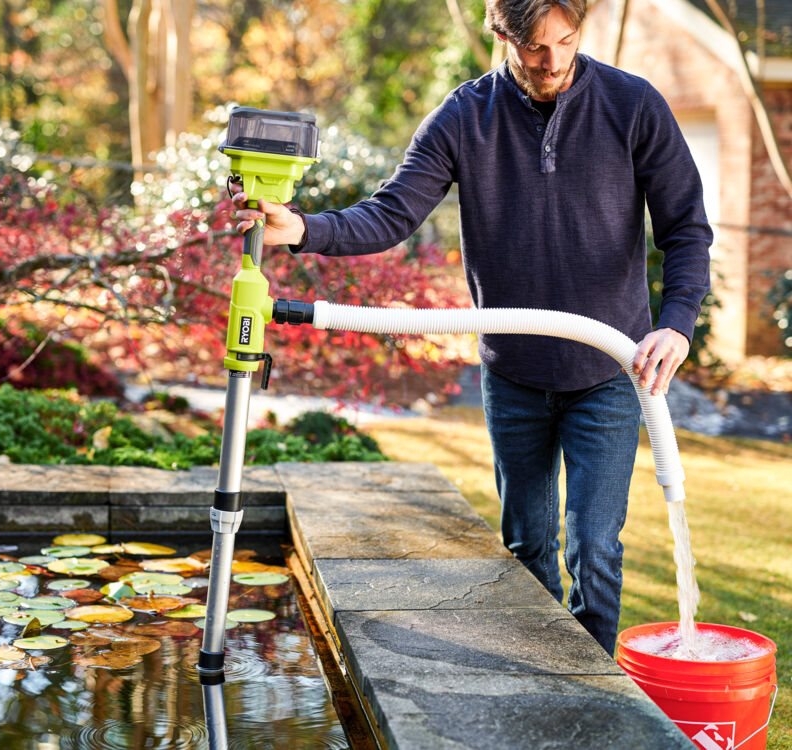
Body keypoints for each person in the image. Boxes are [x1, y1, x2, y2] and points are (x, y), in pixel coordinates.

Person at [230, 0, 711, 655]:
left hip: (608, 371)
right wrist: (308, 229)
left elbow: (687, 227)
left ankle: (599, 699)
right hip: (513, 377)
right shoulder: (465, 117)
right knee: (527, 549)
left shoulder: (633, 106)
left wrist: (677, 324)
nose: (554, 62)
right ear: (501, 33)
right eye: (535, 48)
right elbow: (392, 214)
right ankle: (532, 682)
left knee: (594, 549)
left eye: (566, 42)